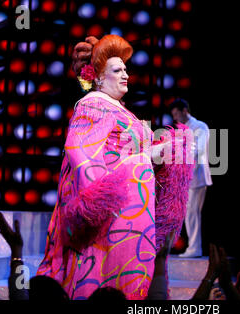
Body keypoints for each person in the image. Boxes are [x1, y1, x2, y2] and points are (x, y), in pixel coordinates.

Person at [36, 35, 194, 300]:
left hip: (129, 210)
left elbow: (120, 151)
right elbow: (82, 155)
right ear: (98, 78)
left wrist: (163, 149)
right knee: (107, 279)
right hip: (112, 218)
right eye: (117, 70)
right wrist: (148, 156)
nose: (126, 75)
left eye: (126, 69)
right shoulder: (94, 104)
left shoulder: (117, 108)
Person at [170, 99, 212, 258]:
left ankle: (195, 248)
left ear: (184, 111)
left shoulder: (200, 126)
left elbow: (198, 150)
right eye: (173, 115)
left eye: (176, 114)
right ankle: (193, 247)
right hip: (187, 178)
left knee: (193, 213)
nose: (175, 118)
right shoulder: (182, 129)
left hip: (198, 177)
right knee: (188, 213)